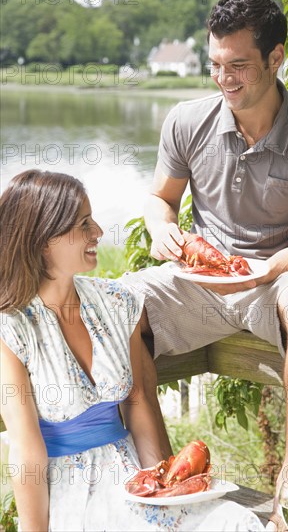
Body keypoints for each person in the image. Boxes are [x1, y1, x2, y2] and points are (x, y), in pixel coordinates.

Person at [120, 0, 288, 530]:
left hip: (276, 277)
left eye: (240, 66)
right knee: (114, 304)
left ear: (276, 57)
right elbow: (161, 200)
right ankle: (168, 486)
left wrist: (266, 269)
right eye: (217, 64)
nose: (225, 79)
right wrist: (161, 228)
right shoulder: (186, 120)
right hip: (199, 280)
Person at [0, 169, 264, 531]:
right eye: (84, 224)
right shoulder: (11, 328)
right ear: (45, 239)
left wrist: (164, 490)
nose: (98, 233)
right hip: (71, 493)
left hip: (134, 478)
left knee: (235, 521)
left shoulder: (117, 302)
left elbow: (138, 403)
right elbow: (27, 452)